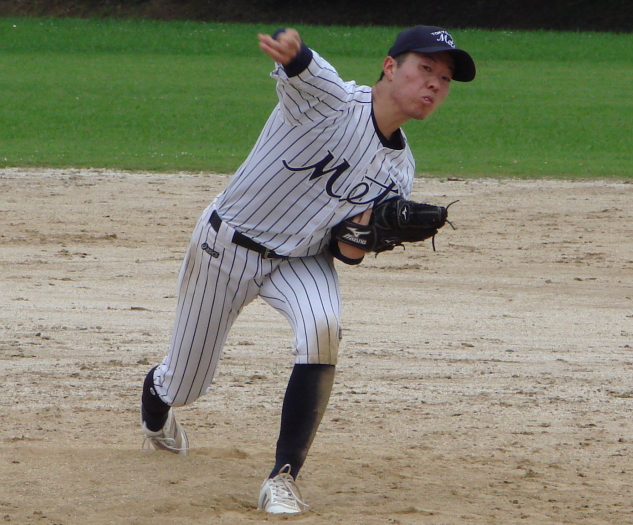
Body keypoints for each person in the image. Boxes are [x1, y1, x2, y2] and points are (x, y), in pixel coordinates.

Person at [139, 25, 476, 514]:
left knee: (323, 328)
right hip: (225, 246)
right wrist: (292, 49)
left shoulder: (400, 171)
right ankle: (157, 409)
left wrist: (369, 232)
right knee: (186, 385)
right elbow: (303, 68)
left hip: (300, 259)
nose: (434, 84)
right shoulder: (332, 101)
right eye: (425, 68)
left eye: (444, 79)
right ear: (389, 67)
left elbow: (347, 253)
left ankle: (283, 477)